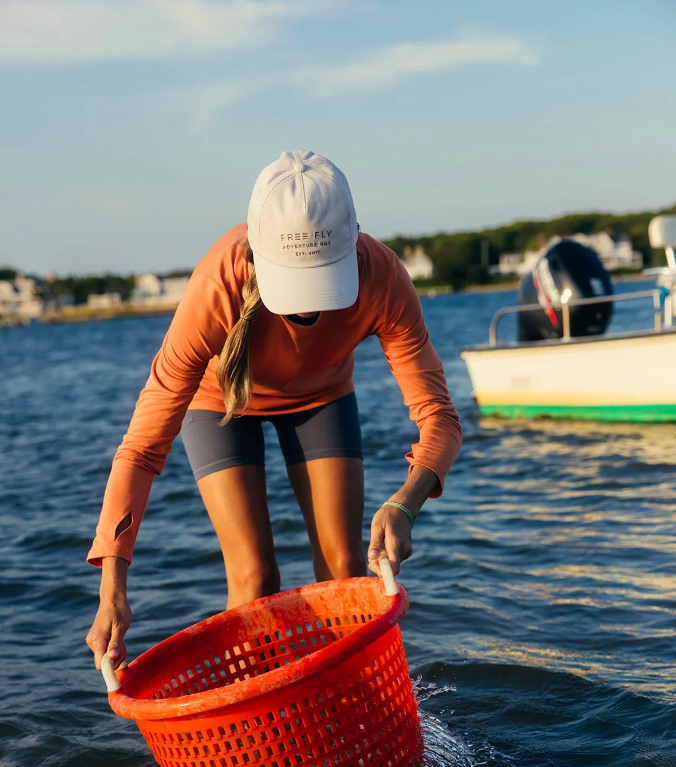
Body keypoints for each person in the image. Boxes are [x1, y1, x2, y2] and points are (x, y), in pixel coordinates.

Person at [85, 151, 462, 671]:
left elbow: (438, 415)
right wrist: (113, 586)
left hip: (323, 395)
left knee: (345, 568)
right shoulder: (216, 285)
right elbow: (142, 449)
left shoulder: (382, 277)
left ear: (356, 240)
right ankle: (259, 721)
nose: (311, 308)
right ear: (255, 255)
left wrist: (404, 504)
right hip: (220, 401)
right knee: (254, 576)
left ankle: (353, 703)